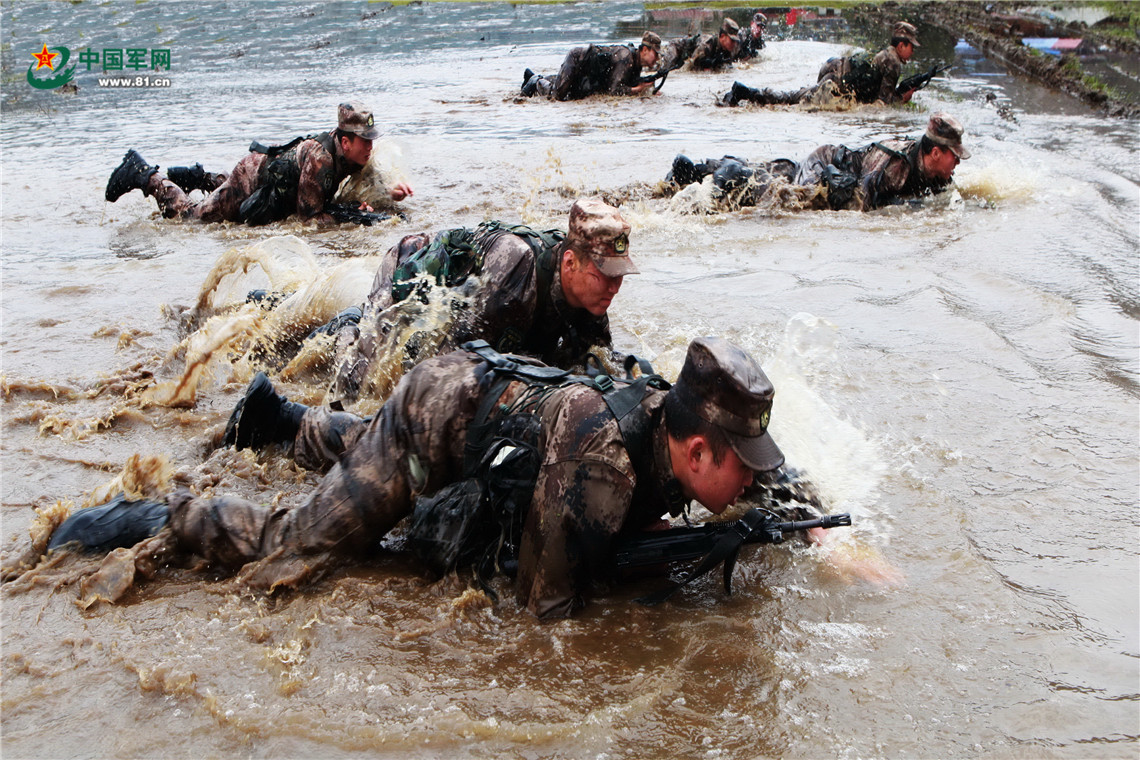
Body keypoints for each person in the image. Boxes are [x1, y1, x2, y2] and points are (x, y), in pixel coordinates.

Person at [45, 336, 869, 618]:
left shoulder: (698, 425)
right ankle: (154, 516)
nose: (759, 477)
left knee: (361, 464)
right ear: (696, 455)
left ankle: (287, 422)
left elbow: (780, 491)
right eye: (745, 469)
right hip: (433, 419)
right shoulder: (601, 469)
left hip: (491, 414)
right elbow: (544, 608)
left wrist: (835, 542)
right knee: (302, 545)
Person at [327, 197, 637, 402]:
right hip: (406, 278)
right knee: (358, 385)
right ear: (571, 263)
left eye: (620, 275)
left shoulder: (592, 299)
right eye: (606, 275)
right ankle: (345, 324)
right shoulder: (514, 275)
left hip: (478, 317)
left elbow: (598, 364)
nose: (616, 287)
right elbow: (449, 367)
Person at [104, 101, 414, 224]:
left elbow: (373, 172)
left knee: (223, 198)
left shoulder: (350, 150)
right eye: (366, 141)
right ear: (345, 142)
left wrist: (390, 188)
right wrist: (352, 216)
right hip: (250, 178)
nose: (371, 146)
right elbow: (309, 219)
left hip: (269, 175)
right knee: (192, 218)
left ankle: (203, 178)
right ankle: (147, 176)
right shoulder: (321, 160)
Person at [667, 112, 971, 212]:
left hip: (837, 167)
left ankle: (698, 169)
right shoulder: (895, 166)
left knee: (785, 174)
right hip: (826, 163)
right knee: (797, 202)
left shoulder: (937, 171)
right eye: (954, 156)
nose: (957, 163)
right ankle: (734, 172)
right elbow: (862, 204)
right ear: (935, 153)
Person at [718, 21, 920, 107]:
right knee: (790, 101)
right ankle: (746, 92)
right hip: (834, 88)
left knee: (794, 98)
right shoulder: (893, 62)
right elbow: (881, 105)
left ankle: (747, 92)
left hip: (833, 75)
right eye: (911, 46)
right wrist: (902, 99)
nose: (913, 52)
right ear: (901, 45)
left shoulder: (886, 54)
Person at [521, 32, 661, 100]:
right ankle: (535, 80)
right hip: (576, 61)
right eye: (655, 53)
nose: (657, 58)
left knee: (572, 96)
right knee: (557, 96)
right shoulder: (626, 58)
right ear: (644, 50)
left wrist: (648, 89)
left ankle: (549, 79)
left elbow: (625, 83)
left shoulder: (636, 65)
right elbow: (614, 90)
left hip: (586, 75)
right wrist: (639, 89)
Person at [659, 18, 741, 72]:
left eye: (735, 41)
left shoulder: (729, 50)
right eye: (732, 40)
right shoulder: (706, 45)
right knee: (666, 68)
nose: (734, 44)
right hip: (676, 48)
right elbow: (690, 66)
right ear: (723, 36)